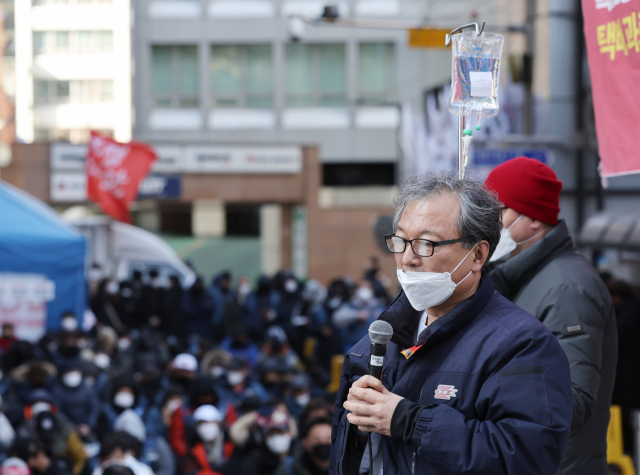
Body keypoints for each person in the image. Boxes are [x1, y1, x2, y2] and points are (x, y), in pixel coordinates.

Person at [330, 173, 572, 475]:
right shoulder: (381, 338)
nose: (407, 258)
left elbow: (526, 457)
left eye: (426, 244)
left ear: (478, 255)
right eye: (400, 241)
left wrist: (408, 421)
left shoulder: (522, 344)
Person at [484, 157, 617, 474]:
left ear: (533, 218)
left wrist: (483, 392)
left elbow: (573, 402)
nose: (488, 225)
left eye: (498, 212)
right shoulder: (529, 279)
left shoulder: (566, 289)